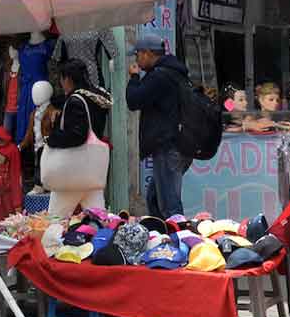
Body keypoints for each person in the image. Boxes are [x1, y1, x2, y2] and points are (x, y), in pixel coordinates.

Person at [126, 34, 191, 219]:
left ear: (147, 53)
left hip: (168, 146)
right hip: (178, 144)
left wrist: (134, 77)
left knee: (170, 207)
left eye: (137, 55)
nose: (137, 60)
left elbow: (134, 100)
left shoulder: (160, 76)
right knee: (154, 199)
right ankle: (161, 237)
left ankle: (178, 242)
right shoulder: (175, 73)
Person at [45, 59, 114, 217]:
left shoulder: (75, 101)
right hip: (92, 173)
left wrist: (52, 137)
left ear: (68, 79)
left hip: (72, 174)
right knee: (98, 219)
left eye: (61, 79)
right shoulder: (96, 99)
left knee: (56, 220)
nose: (61, 84)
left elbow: (76, 135)